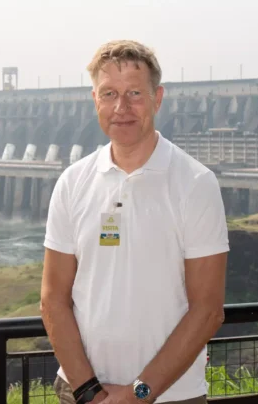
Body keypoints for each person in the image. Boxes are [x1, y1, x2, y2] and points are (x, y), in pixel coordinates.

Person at [41, 40, 230, 404]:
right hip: (81, 393)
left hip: (170, 397)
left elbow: (208, 310)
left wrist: (138, 394)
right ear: (95, 100)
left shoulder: (194, 183)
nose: (121, 108)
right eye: (109, 93)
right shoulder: (73, 182)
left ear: (157, 98)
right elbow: (52, 299)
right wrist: (90, 392)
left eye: (134, 94)